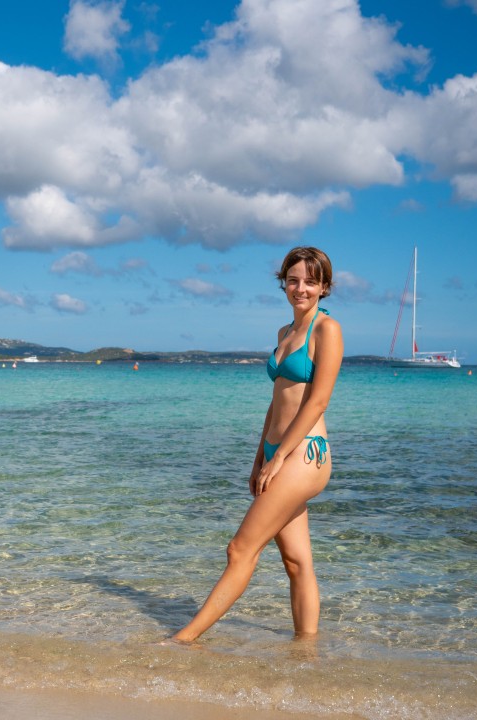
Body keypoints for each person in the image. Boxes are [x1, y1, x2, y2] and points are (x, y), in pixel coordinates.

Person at [172, 246, 343, 643]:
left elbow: (318, 400)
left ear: (324, 287)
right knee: (296, 562)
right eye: (293, 279)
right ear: (283, 282)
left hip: (305, 455)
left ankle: (184, 640)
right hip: (275, 453)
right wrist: (258, 460)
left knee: (239, 549)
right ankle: (307, 650)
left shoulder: (326, 330)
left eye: (310, 281)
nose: (300, 288)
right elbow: (277, 402)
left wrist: (280, 457)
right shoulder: (284, 333)